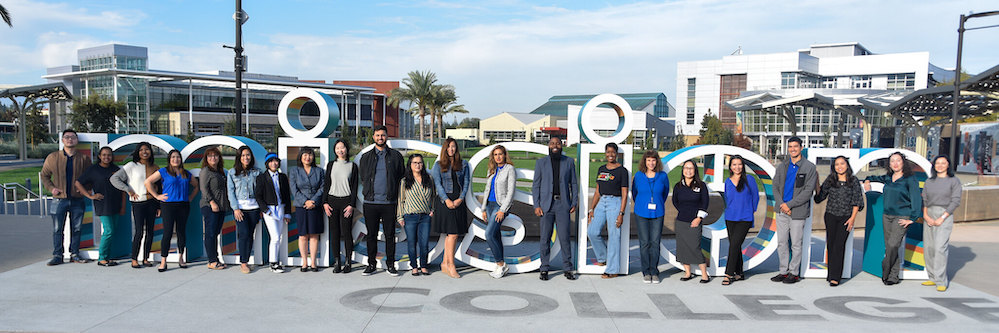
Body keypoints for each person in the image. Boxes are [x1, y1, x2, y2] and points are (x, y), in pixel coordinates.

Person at [863, 151, 922, 286]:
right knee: (891, 247)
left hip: (902, 216)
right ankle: (893, 277)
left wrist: (912, 218)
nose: (895, 163)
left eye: (898, 160)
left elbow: (916, 199)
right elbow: (875, 177)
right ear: (889, 164)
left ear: (903, 162)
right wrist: (867, 179)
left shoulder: (910, 179)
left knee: (893, 245)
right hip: (887, 216)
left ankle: (885, 268)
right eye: (892, 161)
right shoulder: (889, 177)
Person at [41, 129, 93, 266]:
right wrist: (52, 188)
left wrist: (85, 190)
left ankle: (74, 254)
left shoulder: (84, 159)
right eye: (67, 137)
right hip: (59, 199)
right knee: (58, 229)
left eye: (73, 137)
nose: (70, 139)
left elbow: (90, 176)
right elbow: (44, 175)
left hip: (77, 199)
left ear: (77, 141)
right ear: (62, 140)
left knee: (76, 228)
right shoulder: (53, 157)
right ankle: (58, 255)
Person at [358, 126, 405, 276]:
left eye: (383, 135)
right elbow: (363, 177)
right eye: (377, 135)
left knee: (390, 235)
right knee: (371, 235)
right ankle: (371, 264)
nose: (380, 138)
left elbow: (401, 177)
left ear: (387, 136)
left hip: (389, 203)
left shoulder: (396, 156)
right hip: (370, 203)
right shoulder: (366, 157)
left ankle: (390, 264)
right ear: (373, 137)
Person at [771, 136, 817, 284]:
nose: (792, 149)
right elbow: (775, 187)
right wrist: (782, 205)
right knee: (782, 242)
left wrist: (789, 205)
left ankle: (794, 273)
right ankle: (783, 271)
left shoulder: (809, 167)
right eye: (790, 147)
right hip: (782, 211)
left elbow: (808, 191)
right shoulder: (782, 166)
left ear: (801, 148)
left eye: (795, 146)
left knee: (796, 243)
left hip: (798, 211)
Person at [144, 149, 199, 272]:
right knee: (167, 232)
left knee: (181, 232)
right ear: (169, 159)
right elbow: (147, 182)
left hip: (183, 205)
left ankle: (181, 258)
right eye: (173, 157)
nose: (176, 159)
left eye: (178, 157)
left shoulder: (186, 173)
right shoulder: (163, 171)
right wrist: (157, 196)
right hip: (168, 205)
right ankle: (164, 260)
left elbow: (196, 186)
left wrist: (191, 197)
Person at [813, 156, 864, 287]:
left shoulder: (853, 181)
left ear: (847, 165)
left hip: (846, 218)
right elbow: (820, 197)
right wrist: (817, 182)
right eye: (836, 164)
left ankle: (836, 277)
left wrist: (852, 219)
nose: (839, 166)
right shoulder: (831, 180)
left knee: (839, 246)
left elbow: (857, 200)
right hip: (830, 216)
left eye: (842, 163)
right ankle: (830, 274)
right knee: (830, 245)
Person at [532, 137, 578, 281]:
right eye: (552, 143)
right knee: (545, 238)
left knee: (564, 237)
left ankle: (568, 268)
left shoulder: (569, 162)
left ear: (561, 145)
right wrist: (537, 205)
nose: (555, 145)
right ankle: (544, 268)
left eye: (557, 143)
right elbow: (536, 186)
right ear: (548, 146)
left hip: (563, 205)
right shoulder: (541, 163)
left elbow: (574, 184)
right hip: (546, 206)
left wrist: (574, 202)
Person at [111, 141, 159, 268]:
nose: (144, 152)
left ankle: (145, 258)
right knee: (139, 232)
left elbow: (159, 186)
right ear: (138, 152)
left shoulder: (155, 167)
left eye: (147, 149)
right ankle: (134, 259)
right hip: (138, 203)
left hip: (152, 202)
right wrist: (128, 189)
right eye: (142, 150)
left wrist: (159, 205)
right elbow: (114, 179)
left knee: (150, 231)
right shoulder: (131, 165)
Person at [74, 146, 125, 267]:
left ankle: (108, 256)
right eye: (104, 155)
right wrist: (90, 196)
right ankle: (102, 258)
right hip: (103, 204)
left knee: (113, 231)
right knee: (109, 231)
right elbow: (78, 183)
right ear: (99, 156)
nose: (106, 157)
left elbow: (123, 187)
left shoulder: (116, 169)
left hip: (116, 204)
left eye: (109, 155)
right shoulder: (93, 169)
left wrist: (123, 206)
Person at [586, 143, 628, 279]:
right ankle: (603, 257)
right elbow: (597, 191)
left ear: (616, 154)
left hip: (615, 202)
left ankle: (612, 269)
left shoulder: (622, 171)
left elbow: (625, 194)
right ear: (605, 153)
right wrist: (592, 208)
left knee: (614, 235)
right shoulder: (601, 169)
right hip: (602, 201)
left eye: (613, 152)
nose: (610, 154)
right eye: (608, 152)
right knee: (592, 231)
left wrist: (621, 213)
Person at [920, 155, 962, 292]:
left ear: (948, 165)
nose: (940, 165)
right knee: (929, 247)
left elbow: (955, 201)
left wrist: (942, 217)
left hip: (945, 214)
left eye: (943, 163)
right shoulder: (929, 181)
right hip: (929, 214)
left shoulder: (954, 181)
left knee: (939, 248)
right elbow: (925, 199)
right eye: (937, 163)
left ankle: (941, 280)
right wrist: (926, 215)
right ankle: (932, 277)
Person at [431, 138, 472, 279]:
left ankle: (444, 263)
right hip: (444, 202)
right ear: (445, 148)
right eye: (448, 147)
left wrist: (460, 198)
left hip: (459, 201)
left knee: (452, 234)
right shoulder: (438, 165)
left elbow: (466, 183)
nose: (451, 149)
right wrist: (447, 200)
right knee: (452, 234)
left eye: (453, 146)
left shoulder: (464, 164)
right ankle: (451, 264)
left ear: (456, 148)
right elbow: (438, 184)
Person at [631, 150, 669, 284]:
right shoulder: (638, 176)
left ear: (657, 161)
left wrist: (656, 203)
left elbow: (664, 193)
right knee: (644, 243)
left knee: (655, 242)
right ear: (644, 162)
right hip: (641, 213)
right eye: (648, 160)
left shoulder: (663, 176)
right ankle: (646, 271)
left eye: (653, 160)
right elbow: (634, 193)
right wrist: (643, 204)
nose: (651, 163)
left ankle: (654, 271)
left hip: (658, 213)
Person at [323, 139, 359, 273]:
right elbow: (326, 185)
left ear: (346, 149)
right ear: (335, 150)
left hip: (346, 202)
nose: (340, 150)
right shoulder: (330, 165)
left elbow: (355, 187)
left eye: (342, 148)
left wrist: (351, 205)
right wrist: (325, 203)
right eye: (337, 148)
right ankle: (337, 261)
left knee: (347, 232)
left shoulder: (352, 166)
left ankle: (348, 261)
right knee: (335, 233)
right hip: (332, 202)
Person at [480, 145, 516, 279]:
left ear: (504, 155)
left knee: (488, 234)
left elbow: (511, 192)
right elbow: (486, 189)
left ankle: (500, 264)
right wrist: (483, 208)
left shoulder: (510, 169)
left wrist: (502, 210)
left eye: (500, 154)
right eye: (495, 155)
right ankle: (501, 265)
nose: (498, 157)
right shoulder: (492, 169)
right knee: (495, 235)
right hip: (489, 206)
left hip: (500, 206)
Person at [722, 155, 759, 285]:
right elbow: (727, 198)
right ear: (730, 167)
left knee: (734, 245)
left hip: (745, 218)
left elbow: (756, 197)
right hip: (730, 217)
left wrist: (751, 211)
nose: (737, 167)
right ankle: (739, 273)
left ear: (743, 166)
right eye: (734, 164)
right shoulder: (727, 181)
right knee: (735, 246)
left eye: (739, 164)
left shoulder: (750, 179)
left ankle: (728, 274)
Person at [673, 160, 711, 283]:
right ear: (683, 170)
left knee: (695, 247)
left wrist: (698, 218)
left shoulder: (701, 186)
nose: (688, 170)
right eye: (686, 168)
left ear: (695, 170)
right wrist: (684, 212)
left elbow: (705, 203)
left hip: (695, 222)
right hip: (681, 221)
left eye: (691, 168)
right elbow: (675, 202)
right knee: (682, 247)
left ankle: (704, 274)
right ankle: (687, 272)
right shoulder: (678, 186)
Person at [227, 146, 263, 274]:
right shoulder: (232, 173)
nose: (245, 158)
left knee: (250, 235)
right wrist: (235, 209)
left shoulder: (257, 172)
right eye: (243, 155)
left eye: (248, 155)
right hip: (240, 209)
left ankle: (246, 259)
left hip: (254, 208)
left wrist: (261, 209)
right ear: (239, 157)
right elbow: (230, 192)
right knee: (243, 234)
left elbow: (260, 191)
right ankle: (243, 263)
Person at [398, 154, 434, 276]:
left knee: (424, 243)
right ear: (410, 165)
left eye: (420, 163)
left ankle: (423, 265)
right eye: (415, 163)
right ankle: (414, 266)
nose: (418, 165)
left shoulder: (428, 178)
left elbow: (433, 196)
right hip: (410, 216)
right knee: (411, 243)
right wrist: (400, 216)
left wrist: (432, 210)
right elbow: (401, 200)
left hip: (425, 216)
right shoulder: (405, 181)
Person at [289, 148, 325, 272]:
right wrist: (306, 201)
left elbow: (322, 187)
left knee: (314, 235)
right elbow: (294, 189)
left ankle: (313, 262)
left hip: (315, 206)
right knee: (303, 235)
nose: (307, 157)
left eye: (310, 155)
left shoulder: (319, 171)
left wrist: (313, 201)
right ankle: (304, 262)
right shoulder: (294, 171)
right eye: (305, 155)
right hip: (301, 206)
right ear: (300, 157)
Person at [256, 153, 292, 273]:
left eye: (276, 161)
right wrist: (265, 210)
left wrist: (287, 213)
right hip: (270, 210)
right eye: (271, 161)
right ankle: (273, 263)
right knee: (275, 237)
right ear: (267, 164)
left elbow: (287, 196)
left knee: (280, 236)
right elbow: (258, 196)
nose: (274, 163)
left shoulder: (282, 177)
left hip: (281, 208)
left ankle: (277, 260)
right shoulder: (262, 177)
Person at [198, 147, 229, 270]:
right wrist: (212, 202)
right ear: (206, 159)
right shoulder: (206, 171)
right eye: (210, 156)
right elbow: (204, 188)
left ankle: (215, 258)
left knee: (215, 233)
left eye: (215, 156)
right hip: (210, 206)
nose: (213, 158)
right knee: (210, 234)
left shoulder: (219, 171)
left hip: (221, 206)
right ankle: (211, 260)